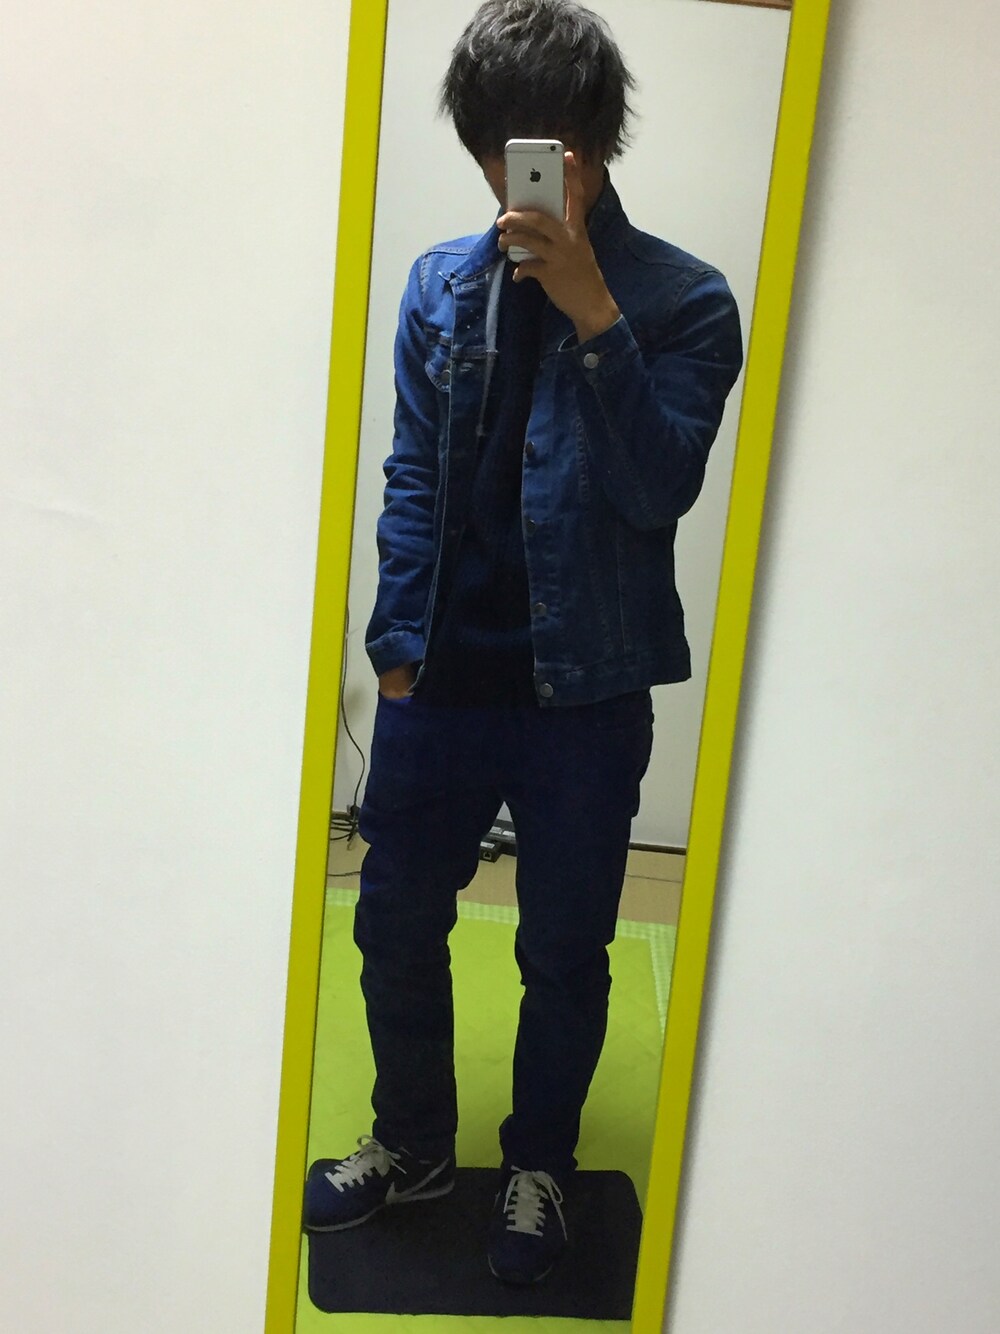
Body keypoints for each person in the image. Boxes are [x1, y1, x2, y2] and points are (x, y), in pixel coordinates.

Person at [303, 0, 743, 1286]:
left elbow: (660, 488)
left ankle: (538, 1159)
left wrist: (595, 313)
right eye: (500, 145)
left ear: (597, 141)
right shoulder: (438, 284)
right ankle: (413, 1141)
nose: (522, 170)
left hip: (587, 695)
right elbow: (412, 475)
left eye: (549, 142)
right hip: (440, 678)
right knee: (392, 923)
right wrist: (394, 645)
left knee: (563, 949)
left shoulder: (685, 300)